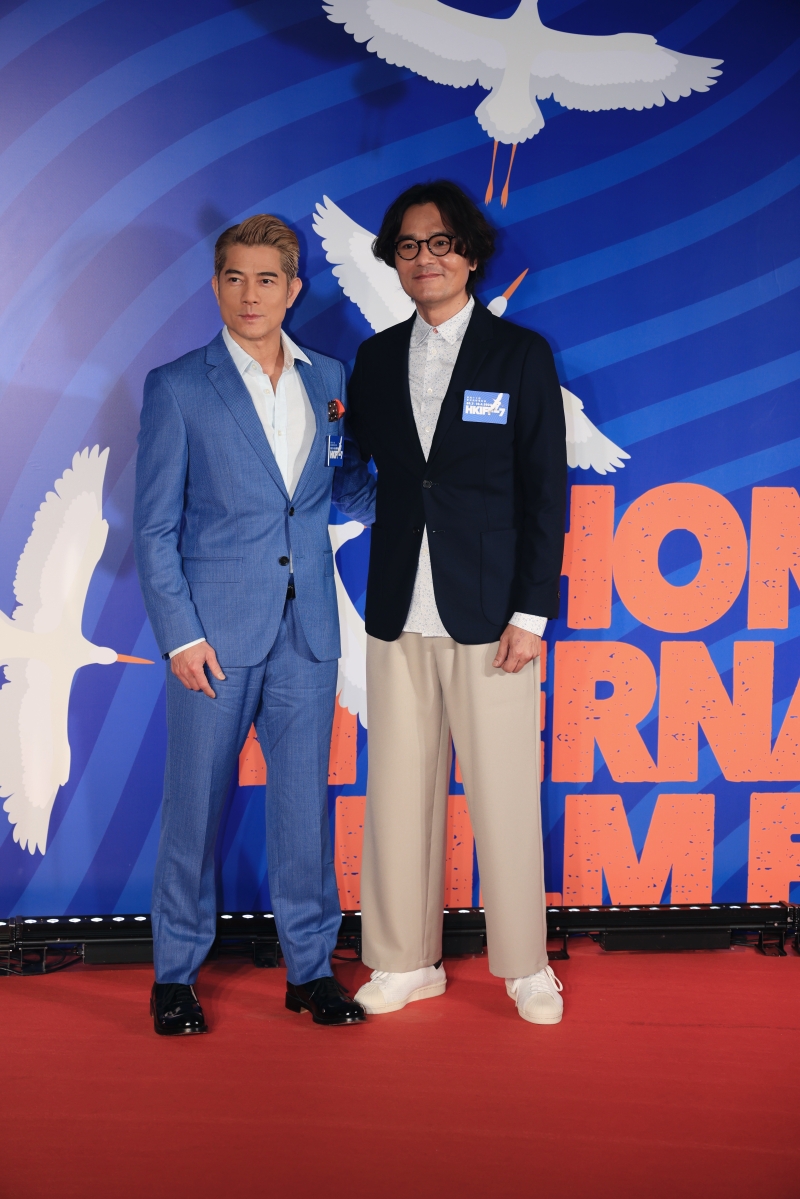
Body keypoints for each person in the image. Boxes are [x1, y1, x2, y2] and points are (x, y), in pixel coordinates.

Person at [134, 214, 374, 1035]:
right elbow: (154, 529)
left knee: (304, 811)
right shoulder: (177, 386)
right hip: (213, 640)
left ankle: (311, 970)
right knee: (193, 811)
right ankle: (174, 976)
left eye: (266, 279)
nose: (249, 294)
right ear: (215, 285)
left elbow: (345, 486)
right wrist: (180, 634)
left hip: (309, 634)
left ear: (293, 289)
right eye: (234, 277)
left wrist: (432, 492)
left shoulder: (328, 377)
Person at [346, 180, 567, 1024]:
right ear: (394, 262)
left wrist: (530, 612)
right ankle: (405, 959)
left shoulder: (520, 355)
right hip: (397, 607)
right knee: (398, 793)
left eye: (439, 242)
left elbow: (545, 492)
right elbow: (360, 471)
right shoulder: (373, 360)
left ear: (469, 254)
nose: (424, 259)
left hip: (492, 616)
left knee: (505, 795)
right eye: (408, 246)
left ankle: (526, 966)